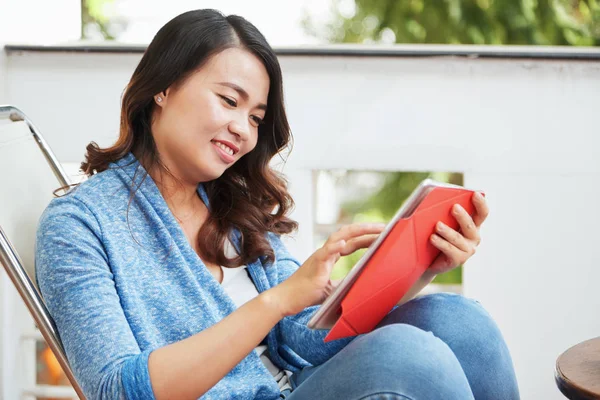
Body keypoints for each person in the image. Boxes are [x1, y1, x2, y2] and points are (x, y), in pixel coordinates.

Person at [35, 8, 520, 400]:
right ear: (163, 87)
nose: (244, 130)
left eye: (256, 117)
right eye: (229, 101)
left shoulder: (232, 205)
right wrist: (276, 301)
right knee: (408, 355)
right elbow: (117, 389)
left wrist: (415, 267)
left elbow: (301, 343)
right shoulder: (80, 224)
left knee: (461, 319)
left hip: (295, 385)